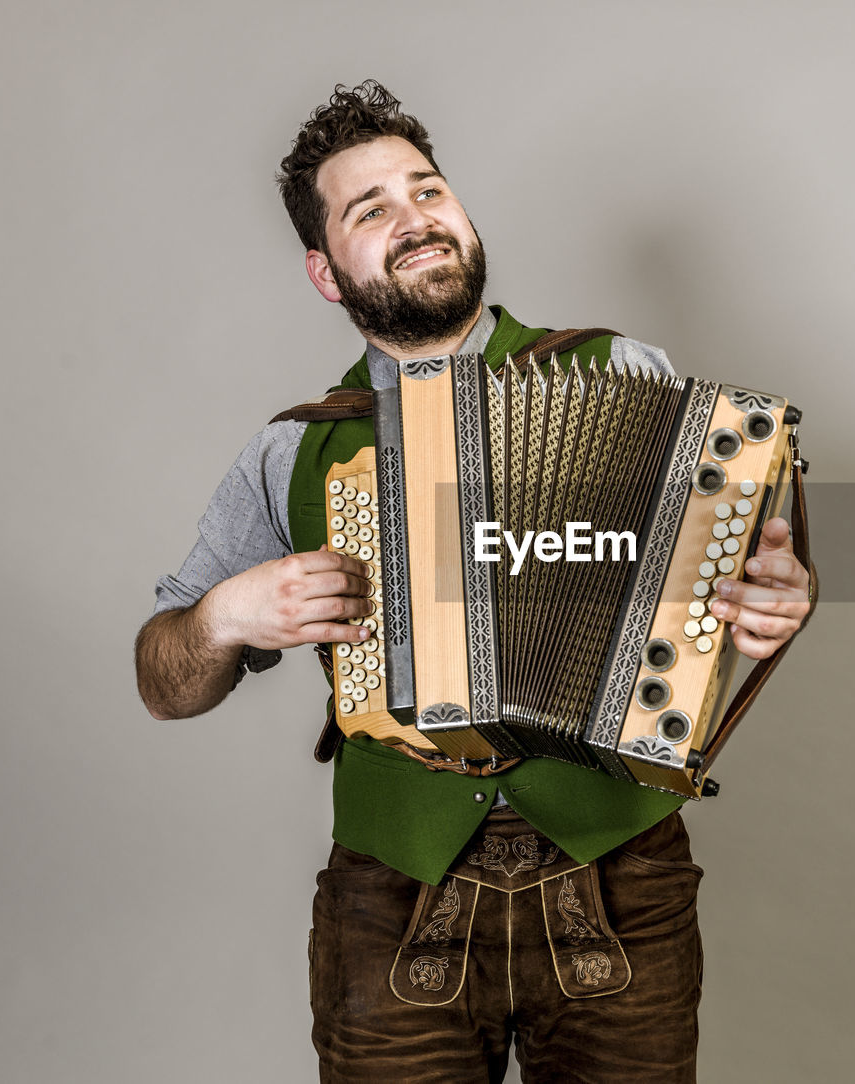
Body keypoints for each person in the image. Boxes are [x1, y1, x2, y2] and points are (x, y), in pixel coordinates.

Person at [135, 80, 813, 1083]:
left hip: (619, 880)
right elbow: (165, 680)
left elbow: (728, 588)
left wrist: (770, 601)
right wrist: (229, 615)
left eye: (427, 190)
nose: (415, 218)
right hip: (392, 897)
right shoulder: (295, 452)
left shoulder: (621, 373)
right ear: (326, 273)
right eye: (371, 210)